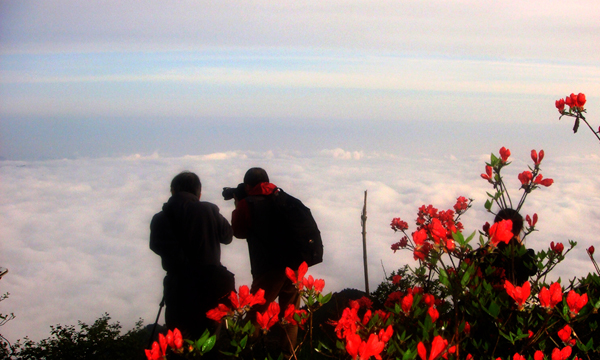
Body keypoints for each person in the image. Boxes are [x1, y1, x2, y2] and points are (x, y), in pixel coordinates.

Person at [150, 171, 235, 342]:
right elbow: (227, 236)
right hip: (210, 288)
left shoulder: (160, 218)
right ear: (199, 193)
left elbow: (156, 246)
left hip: (178, 290)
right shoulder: (209, 210)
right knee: (209, 342)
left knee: (181, 343)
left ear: (172, 191)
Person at [231, 167, 301, 355]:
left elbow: (238, 231)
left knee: (255, 315)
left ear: (247, 186)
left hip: (269, 270)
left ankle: (245, 352)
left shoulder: (248, 204)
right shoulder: (282, 198)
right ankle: (288, 355)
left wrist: (238, 204)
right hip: (294, 268)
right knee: (290, 315)